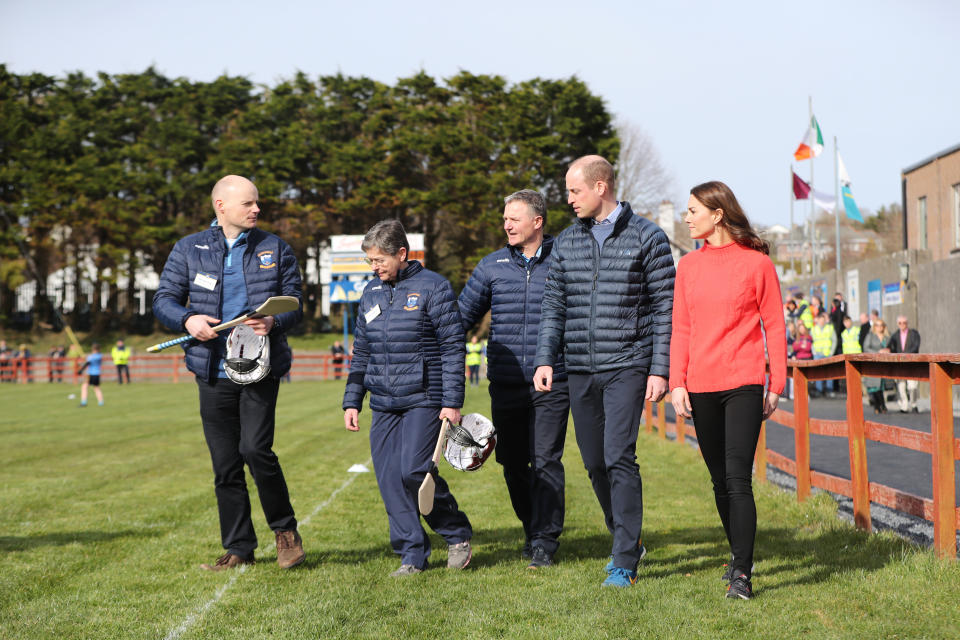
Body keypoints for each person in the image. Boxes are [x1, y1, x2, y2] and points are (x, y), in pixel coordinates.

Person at [533, 155, 674, 588]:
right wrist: (544, 357)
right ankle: (626, 537)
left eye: (574, 191)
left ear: (600, 186)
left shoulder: (647, 236)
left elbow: (666, 307)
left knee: (618, 456)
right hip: (578, 366)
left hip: (628, 364)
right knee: (594, 462)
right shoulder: (567, 244)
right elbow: (554, 305)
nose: (569, 199)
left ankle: (625, 559)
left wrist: (659, 368)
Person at [153, 174, 305, 572]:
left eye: (257, 203)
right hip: (211, 369)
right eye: (248, 204)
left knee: (255, 450)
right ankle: (239, 547)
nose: (257, 209)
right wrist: (187, 320)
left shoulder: (275, 247)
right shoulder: (189, 249)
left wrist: (274, 323)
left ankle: (285, 532)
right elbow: (163, 300)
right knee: (224, 465)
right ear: (221, 206)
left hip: (260, 368)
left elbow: (295, 303)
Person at [669, 181, 786, 601]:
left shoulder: (756, 265)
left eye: (692, 210)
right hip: (701, 384)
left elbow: (774, 325)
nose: (686, 218)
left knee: (738, 480)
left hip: (744, 384)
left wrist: (778, 383)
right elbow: (681, 327)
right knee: (719, 481)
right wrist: (677, 381)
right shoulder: (687, 268)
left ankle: (741, 573)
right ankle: (739, 555)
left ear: (717, 214)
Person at [342, 219, 473, 577]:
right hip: (383, 402)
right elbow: (362, 350)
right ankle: (412, 554)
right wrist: (352, 399)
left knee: (414, 470)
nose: (374, 267)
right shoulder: (370, 292)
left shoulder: (434, 287)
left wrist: (452, 401)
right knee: (388, 478)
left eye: (379, 259)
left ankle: (457, 535)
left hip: (424, 397)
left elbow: (452, 347)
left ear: (402, 253)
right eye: (370, 261)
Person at [459, 189, 571, 569]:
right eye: (505, 218)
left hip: (552, 380)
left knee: (546, 460)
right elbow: (460, 318)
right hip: (505, 382)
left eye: (515, 218)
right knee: (511, 462)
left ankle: (545, 540)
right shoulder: (491, 266)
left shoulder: (565, 262)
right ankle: (532, 528)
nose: (506, 224)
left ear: (537, 222)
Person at [887, 315, 921, 413]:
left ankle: (914, 404)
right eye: (900, 323)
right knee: (900, 385)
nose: (902, 325)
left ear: (907, 323)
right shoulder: (894, 335)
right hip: (899, 364)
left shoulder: (914, 334)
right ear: (898, 324)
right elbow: (890, 346)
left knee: (913, 386)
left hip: (911, 363)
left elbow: (916, 346)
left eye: (904, 323)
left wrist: (906, 355)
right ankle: (904, 406)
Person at [862, 319, 890, 414]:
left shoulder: (887, 336)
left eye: (881, 325)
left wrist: (888, 350)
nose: (879, 327)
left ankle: (881, 405)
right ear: (874, 326)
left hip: (884, 364)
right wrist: (877, 352)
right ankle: (879, 406)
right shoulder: (870, 336)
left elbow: (892, 347)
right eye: (877, 325)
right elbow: (866, 348)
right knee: (874, 387)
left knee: (881, 386)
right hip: (873, 364)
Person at [810, 313, 836, 397]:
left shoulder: (830, 328)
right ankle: (819, 390)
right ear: (818, 321)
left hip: (828, 353)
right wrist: (813, 351)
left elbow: (834, 340)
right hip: (817, 354)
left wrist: (832, 352)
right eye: (820, 321)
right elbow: (810, 341)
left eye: (823, 321)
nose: (821, 322)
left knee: (830, 372)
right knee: (818, 372)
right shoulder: (813, 329)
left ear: (825, 321)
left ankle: (829, 390)